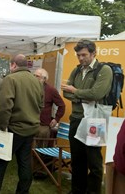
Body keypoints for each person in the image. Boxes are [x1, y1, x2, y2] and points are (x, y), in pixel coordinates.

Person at [0, 54, 44, 194]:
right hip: (30, 129)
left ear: (13, 65)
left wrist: (1, 126)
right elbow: (40, 105)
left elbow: (5, 106)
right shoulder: (36, 81)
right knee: (24, 163)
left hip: (12, 129)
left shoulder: (10, 79)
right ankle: (23, 191)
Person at [62, 39, 112, 194]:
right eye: (78, 55)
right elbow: (65, 92)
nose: (81, 58)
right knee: (77, 160)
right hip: (76, 119)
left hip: (95, 121)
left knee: (94, 162)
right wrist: (83, 96)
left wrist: (75, 91)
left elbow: (97, 93)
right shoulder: (76, 70)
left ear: (93, 53)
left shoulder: (104, 70)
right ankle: (77, 190)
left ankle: (94, 191)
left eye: (84, 55)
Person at [33, 68, 65, 147]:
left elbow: (62, 105)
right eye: (33, 75)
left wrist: (56, 119)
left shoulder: (51, 90)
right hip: (30, 123)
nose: (34, 78)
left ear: (44, 79)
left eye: (37, 76)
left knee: (40, 150)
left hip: (43, 126)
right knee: (29, 149)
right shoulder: (30, 88)